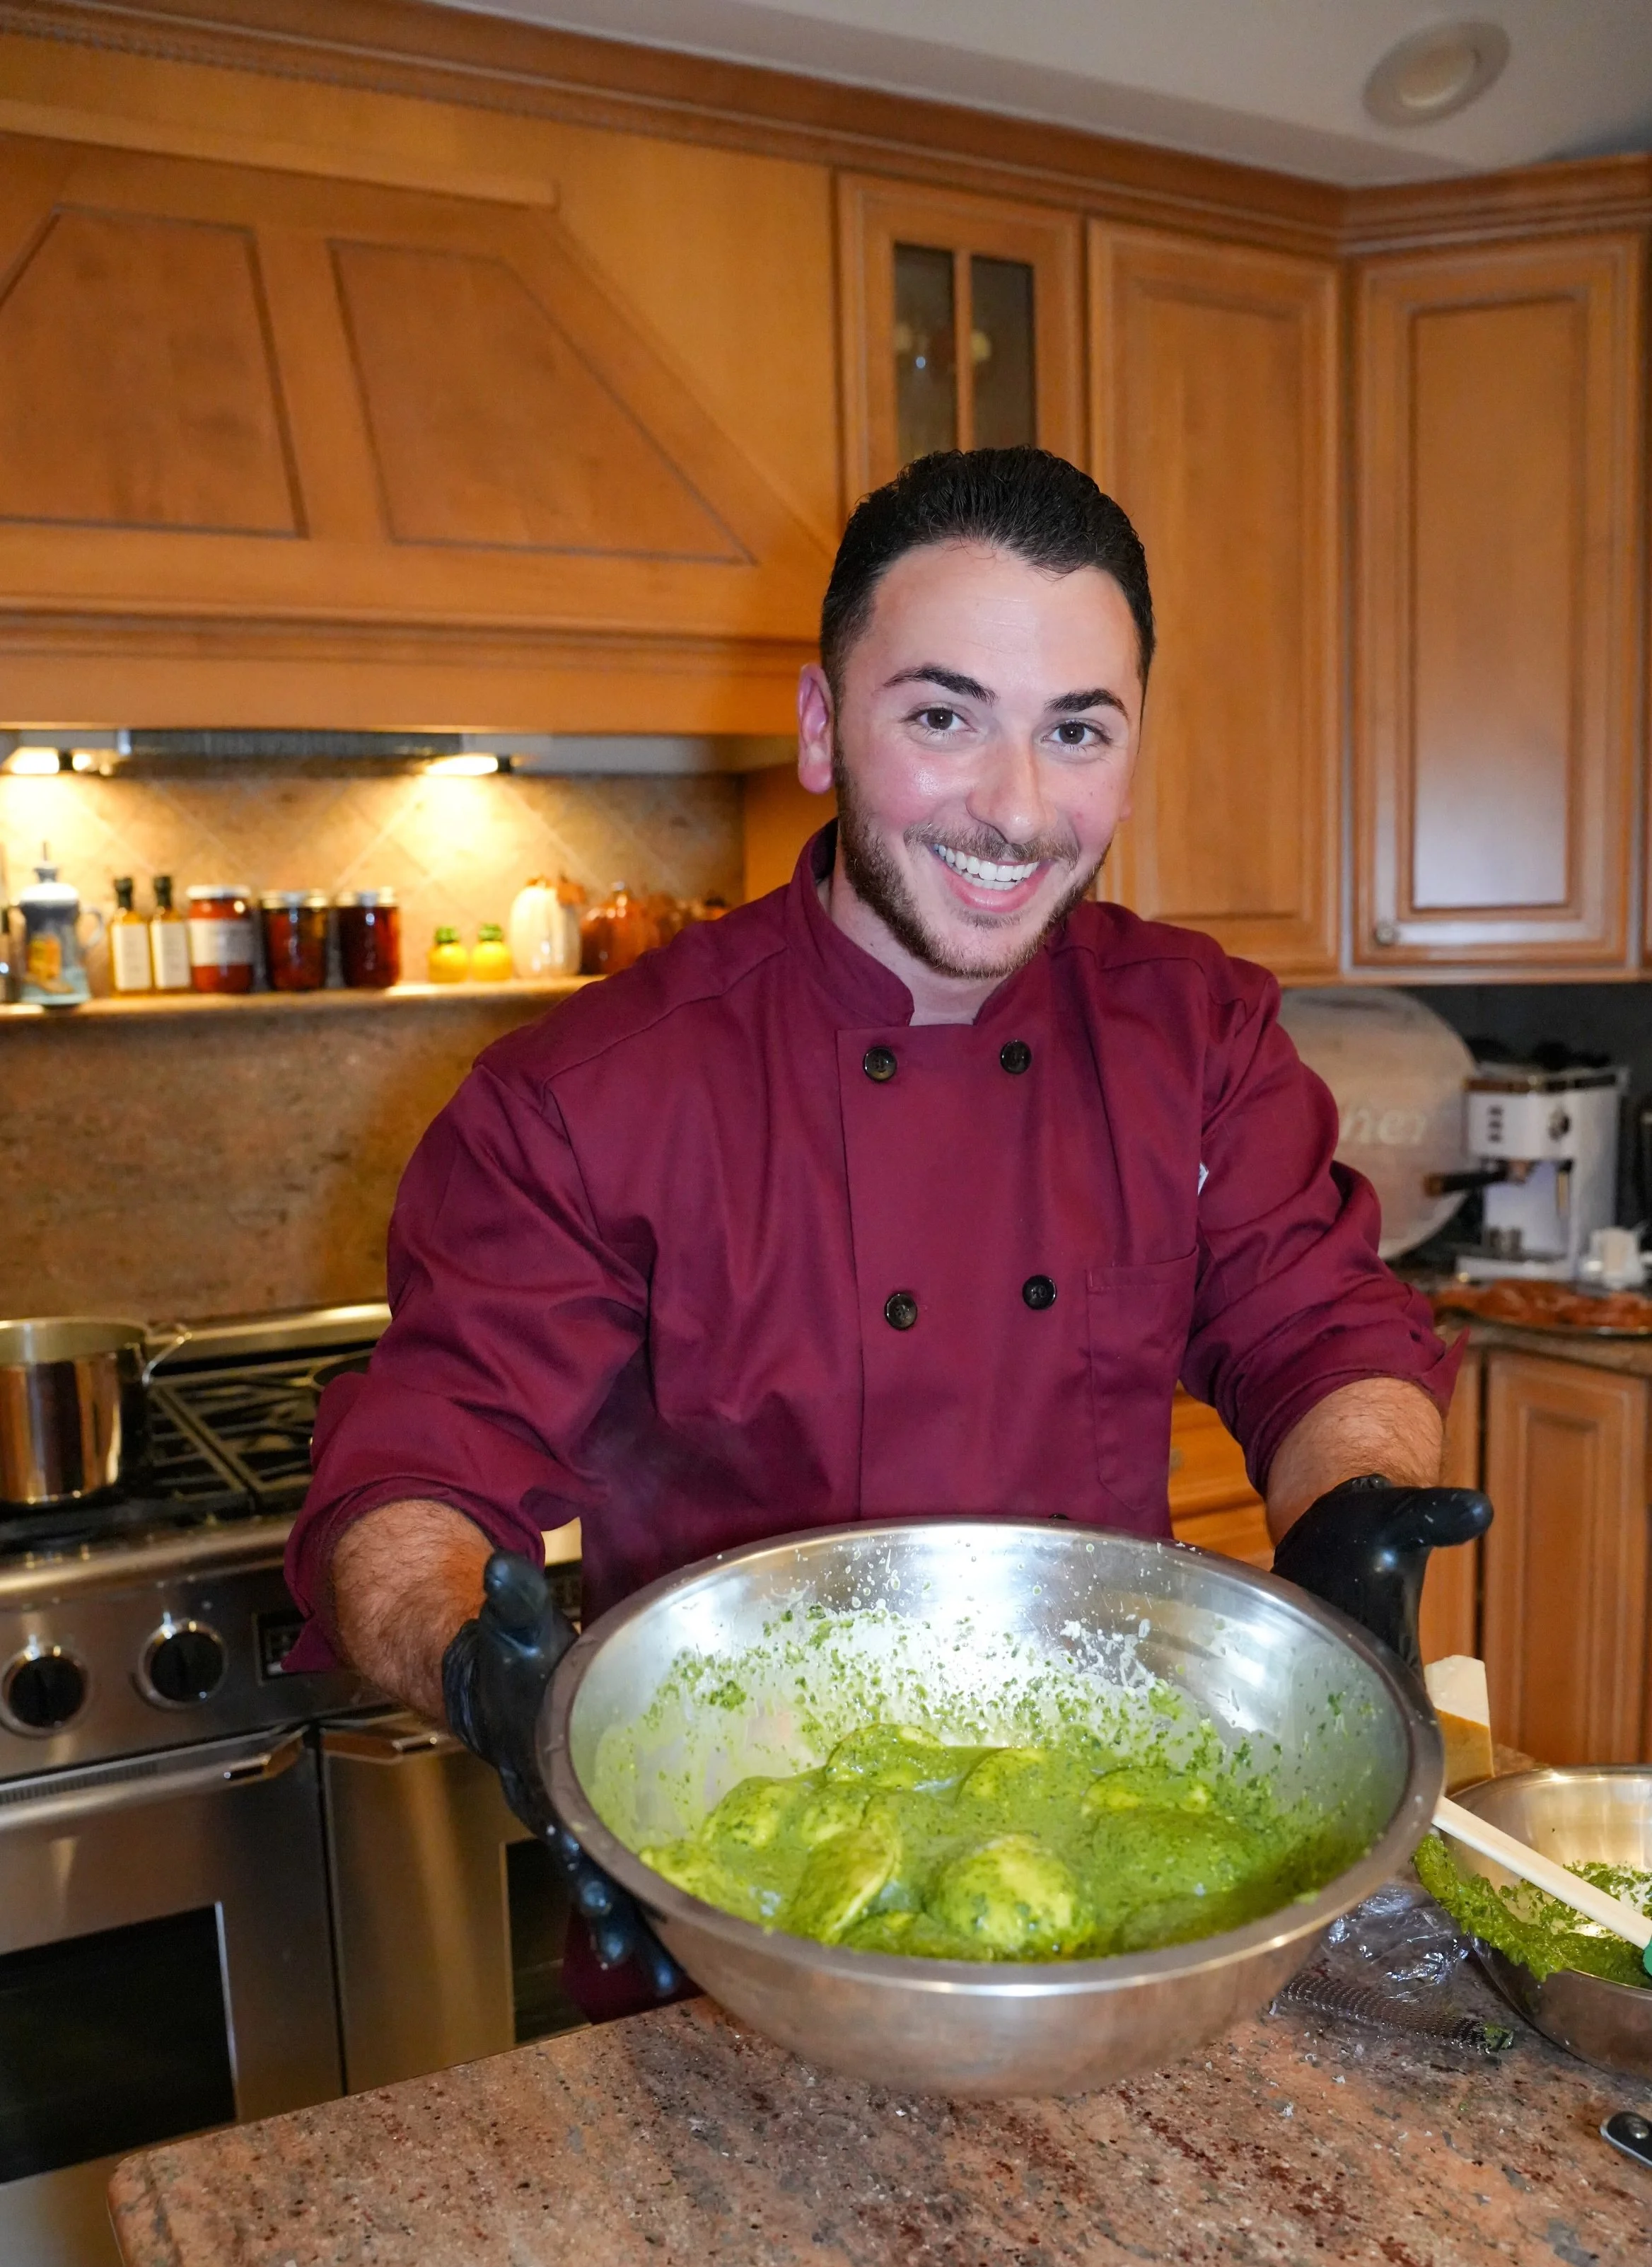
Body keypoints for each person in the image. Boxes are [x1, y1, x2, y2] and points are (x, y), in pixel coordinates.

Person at [286, 446, 1458, 2014]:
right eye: (943, 716)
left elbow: (1321, 1331)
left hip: (1117, 1907)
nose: (1016, 809)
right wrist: (475, 1667)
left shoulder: (1194, 1034)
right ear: (822, 726)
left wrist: (1358, 1507)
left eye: (1076, 730)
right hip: (727, 1937)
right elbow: (415, 1473)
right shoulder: (589, 1097)